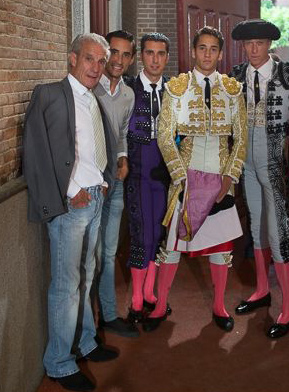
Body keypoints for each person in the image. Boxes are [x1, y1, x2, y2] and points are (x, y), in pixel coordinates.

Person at [23, 34, 118, 391]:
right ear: (73, 59)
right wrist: (69, 191)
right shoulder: (49, 94)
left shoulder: (94, 100)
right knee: (66, 285)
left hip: (96, 197)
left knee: (87, 275)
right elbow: (35, 149)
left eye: (101, 61)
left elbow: (93, 148)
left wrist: (102, 182)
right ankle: (59, 363)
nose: (96, 67)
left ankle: (85, 343)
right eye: (90, 59)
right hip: (70, 204)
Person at [142, 26, 247, 333]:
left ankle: (219, 305)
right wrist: (180, 176)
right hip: (184, 178)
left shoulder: (232, 89)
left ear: (221, 53)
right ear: (193, 50)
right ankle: (161, 305)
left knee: (220, 248)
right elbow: (164, 135)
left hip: (219, 177)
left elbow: (240, 138)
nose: (207, 54)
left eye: (213, 49)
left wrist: (229, 178)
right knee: (173, 245)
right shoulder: (177, 87)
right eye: (202, 48)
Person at [230, 19, 289, 338]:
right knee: (256, 226)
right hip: (246, 162)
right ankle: (263, 290)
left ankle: (288, 307)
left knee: (278, 232)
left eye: (260, 43)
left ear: (269, 45)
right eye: (249, 44)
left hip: (276, 163)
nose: (253, 49)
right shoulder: (235, 76)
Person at [93, 30, 138, 337]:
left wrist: (123, 158)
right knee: (89, 257)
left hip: (116, 182)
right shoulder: (88, 87)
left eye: (125, 54)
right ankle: (86, 325)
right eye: (114, 52)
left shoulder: (129, 95)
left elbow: (122, 133)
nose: (118, 60)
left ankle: (108, 316)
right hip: (89, 184)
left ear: (131, 59)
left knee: (108, 253)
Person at [125, 33, 172, 324]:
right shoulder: (128, 88)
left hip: (166, 170)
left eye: (161, 53)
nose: (155, 59)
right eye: (150, 53)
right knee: (141, 231)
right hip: (137, 168)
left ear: (167, 57)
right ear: (141, 55)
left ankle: (149, 291)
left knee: (159, 231)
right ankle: (136, 297)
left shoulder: (174, 89)